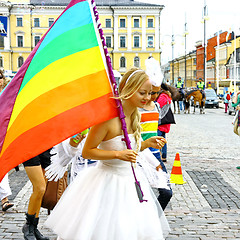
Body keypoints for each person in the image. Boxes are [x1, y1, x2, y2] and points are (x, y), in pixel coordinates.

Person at [45, 68, 170, 240]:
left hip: (131, 182)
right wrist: (117, 155)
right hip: (106, 182)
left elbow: (129, 149)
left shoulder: (135, 117)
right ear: (128, 89)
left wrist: (146, 144)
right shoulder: (107, 119)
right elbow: (87, 152)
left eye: (150, 93)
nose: (147, 98)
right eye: (143, 93)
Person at [139, 73, 172, 210]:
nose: (153, 96)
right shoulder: (136, 108)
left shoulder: (157, 107)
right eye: (151, 92)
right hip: (140, 155)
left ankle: (154, 219)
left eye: (156, 93)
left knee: (166, 192)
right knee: (140, 194)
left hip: (155, 155)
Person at [22, 150, 52, 240]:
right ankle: (28, 225)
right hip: (30, 148)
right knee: (40, 188)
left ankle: (33, 228)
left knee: (41, 192)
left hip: (46, 147)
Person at [157, 83, 173, 162]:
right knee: (163, 139)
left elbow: (158, 106)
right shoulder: (168, 96)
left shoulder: (163, 96)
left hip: (161, 120)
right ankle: (164, 155)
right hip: (165, 121)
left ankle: (161, 155)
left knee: (159, 139)